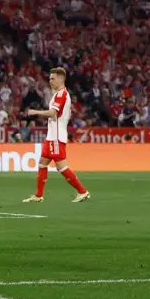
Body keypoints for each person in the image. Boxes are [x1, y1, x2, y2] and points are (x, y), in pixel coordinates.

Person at [22, 68, 90, 203]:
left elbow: (53, 113)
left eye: (53, 78)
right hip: (51, 136)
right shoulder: (58, 94)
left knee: (61, 167)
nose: (50, 81)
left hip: (57, 136)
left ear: (61, 79)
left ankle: (82, 191)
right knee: (42, 163)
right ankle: (38, 195)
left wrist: (36, 112)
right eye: (49, 78)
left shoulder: (61, 94)